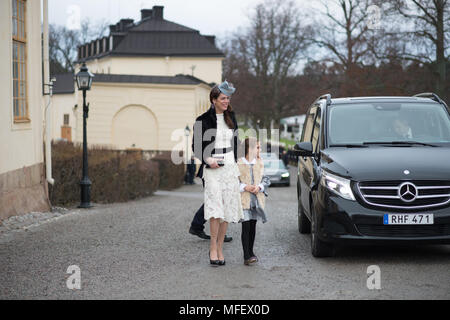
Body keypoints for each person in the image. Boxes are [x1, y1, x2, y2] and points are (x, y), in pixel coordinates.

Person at [192, 81, 244, 266]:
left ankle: (220, 247)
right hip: (212, 169)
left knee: (227, 209)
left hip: (230, 167)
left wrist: (240, 166)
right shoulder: (202, 120)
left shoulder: (232, 117)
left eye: (228, 98)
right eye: (223, 98)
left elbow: (236, 144)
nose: (226, 101)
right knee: (215, 209)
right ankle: (212, 247)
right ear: (213, 100)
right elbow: (196, 147)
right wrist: (208, 159)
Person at [238, 137, 270, 265]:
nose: (259, 149)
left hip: (256, 201)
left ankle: (251, 252)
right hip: (244, 200)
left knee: (252, 226)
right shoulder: (239, 163)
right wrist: (244, 187)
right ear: (250, 149)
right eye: (257, 147)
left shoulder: (260, 163)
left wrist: (259, 187)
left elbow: (266, 179)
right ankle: (246, 256)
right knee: (245, 226)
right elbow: (234, 181)